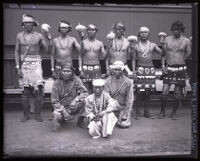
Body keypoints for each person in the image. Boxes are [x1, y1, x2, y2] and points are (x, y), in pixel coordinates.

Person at [15, 14, 52, 122]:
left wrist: (48, 38)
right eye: (25, 22)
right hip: (24, 64)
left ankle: (38, 114)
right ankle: (26, 115)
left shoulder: (39, 36)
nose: (27, 24)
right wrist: (18, 67)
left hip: (36, 63)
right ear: (23, 24)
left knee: (38, 90)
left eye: (30, 22)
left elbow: (47, 51)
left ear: (34, 24)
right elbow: (16, 52)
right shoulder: (19, 36)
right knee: (25, 91)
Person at [158, 20, 191, 120]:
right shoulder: (166, 39)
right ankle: (162, 111)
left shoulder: (186, 41)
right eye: (173, 30)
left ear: (181, 30)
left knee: (177, 93)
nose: (175, 32)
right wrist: (163, 66)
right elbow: (163, 55)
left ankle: (174, 112)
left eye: (177, 30)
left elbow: (188, 54)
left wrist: (180, 58)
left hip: (180, 68)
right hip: (169, 68)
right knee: (164, 91)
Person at [131, 26, 163, 120]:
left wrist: (163, 45)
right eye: (142, 32)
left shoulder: (153, 45)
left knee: (148, 92)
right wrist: (134, 72)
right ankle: (138, 112)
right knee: (139, 92)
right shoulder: (135, 46)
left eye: (146, 32)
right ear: (139, 34)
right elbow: (133, 59)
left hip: (150, 71)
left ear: (149, 34)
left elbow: (162, 54)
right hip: (139, 70)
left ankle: (147, 112)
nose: (144, 34)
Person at [51, 63, 88, 131]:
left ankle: (80, 120)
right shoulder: (56, 83)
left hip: (73, 106)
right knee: (56, 115)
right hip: (61, 107)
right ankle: (62, 120)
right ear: (61, 72)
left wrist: (76, 99)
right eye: (64, 71)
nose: (66, 73)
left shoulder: (77, 80)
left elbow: (85, 92)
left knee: (86, 101)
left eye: (68, 71)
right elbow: (54, 101)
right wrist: (63, 110)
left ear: (72, 72)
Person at [104, 61, 133, 128]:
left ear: (122, 70)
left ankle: (122, 116)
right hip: (112, 105)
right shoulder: (108, 80)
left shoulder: (128, 82)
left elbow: (130, 99)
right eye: (115, 69)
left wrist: (126, 111)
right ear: (113, 70)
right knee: (106, 121)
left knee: (124, 124)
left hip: (123, 106)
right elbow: (106, 96)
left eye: (119, 70)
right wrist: (112, 104)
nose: (117, 71)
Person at [78, 24, 106, 93]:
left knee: (97, 89)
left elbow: (105, 56)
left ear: (96, 31)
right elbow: (80, 56)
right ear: (87, 31)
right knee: (85, 90)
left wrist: (108, 47)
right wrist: (80, 69)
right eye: (89, 30)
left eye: (93, 30)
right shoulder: (83, 42)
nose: (91, 31)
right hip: (85, 67)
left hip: (96, 67)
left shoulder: (100, 43)